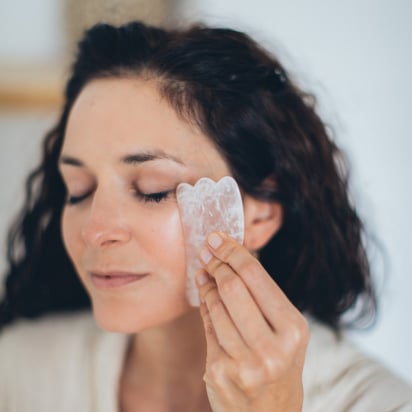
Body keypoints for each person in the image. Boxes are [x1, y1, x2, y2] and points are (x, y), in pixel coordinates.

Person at [0, 21, 411, 412]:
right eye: (79, 191)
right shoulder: (17, 374)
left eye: (153, 190)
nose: (95, 230)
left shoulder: (378, 403)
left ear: (259, 214)